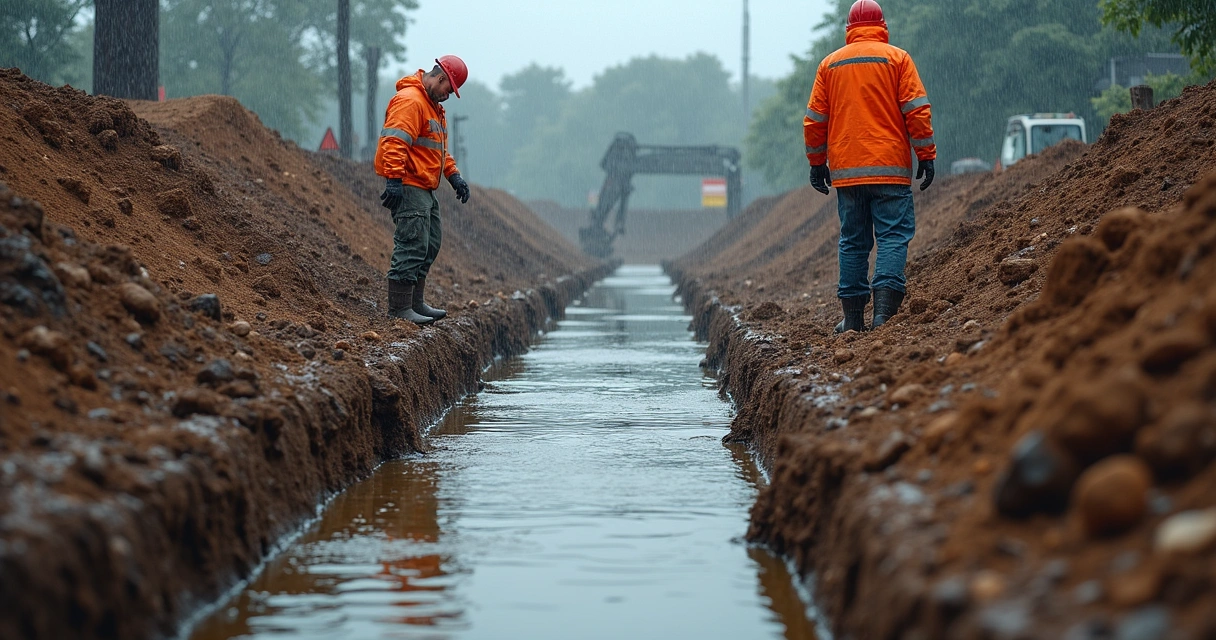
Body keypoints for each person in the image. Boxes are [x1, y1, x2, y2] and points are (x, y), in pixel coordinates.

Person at [804, 0, 936, 332]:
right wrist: (926, 154)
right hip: (890, 169)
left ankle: (851, 320)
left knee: (853, 241)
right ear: (882, 26)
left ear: (849, 29)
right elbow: (916, 111)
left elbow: (815, 121)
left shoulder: (829, 65)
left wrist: (817, 163)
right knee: (892, 236)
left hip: (847, 173)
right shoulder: (898, 59)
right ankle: (884, 315)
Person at [374, 55, 472, 325]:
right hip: (410, 184)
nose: (448, 96)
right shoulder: (411, 101)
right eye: (448, 90)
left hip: (426, 186)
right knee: (412, 244)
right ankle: (400, 308)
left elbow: (439, 151)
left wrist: (455, 177)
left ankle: (415, 303)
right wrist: (394, 178)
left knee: (430, 244)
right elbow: (394, 140)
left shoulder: (433, 108)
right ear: (440, 78)